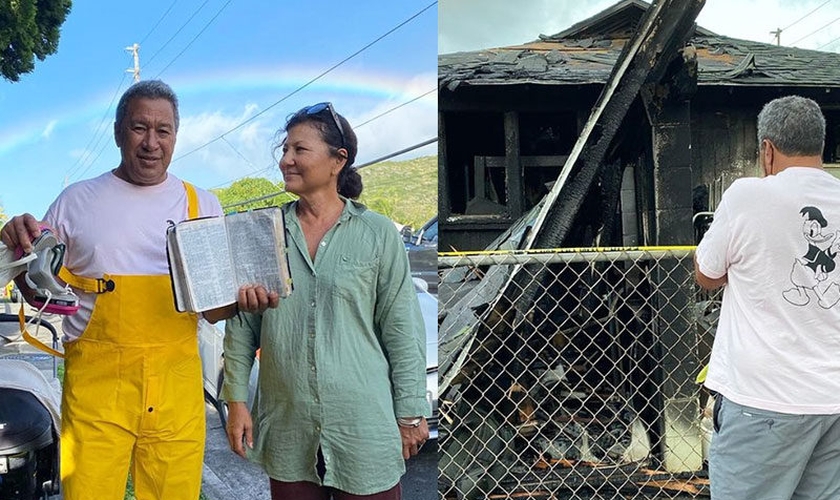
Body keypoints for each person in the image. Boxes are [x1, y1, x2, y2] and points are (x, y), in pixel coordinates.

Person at [0, 79, 223, 500]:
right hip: (96, 396)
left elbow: (217, 310)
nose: (151, 143)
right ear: (119, 131)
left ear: (176, 135)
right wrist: (16, 247)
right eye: (139, 128)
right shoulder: (75, 201)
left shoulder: (203, 206)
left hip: (177, 396)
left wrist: (249, 298)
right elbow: (37, 291)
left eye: (164, 130)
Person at [222, 102, 430, 500]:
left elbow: (402, 327)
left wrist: (410, 412)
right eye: (284, 150)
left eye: (299, 150)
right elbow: (241, 329)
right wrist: (236, 402)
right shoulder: (263, 232)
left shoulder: (377, 232)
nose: (286, 160)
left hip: (363, 426)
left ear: (338, 161)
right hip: (287, 425)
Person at [695, 95, 840, 499]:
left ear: (767, 149)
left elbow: (706, 275)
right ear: (821, 146)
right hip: (834, 400)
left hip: (763, 399)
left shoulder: (747, 196)